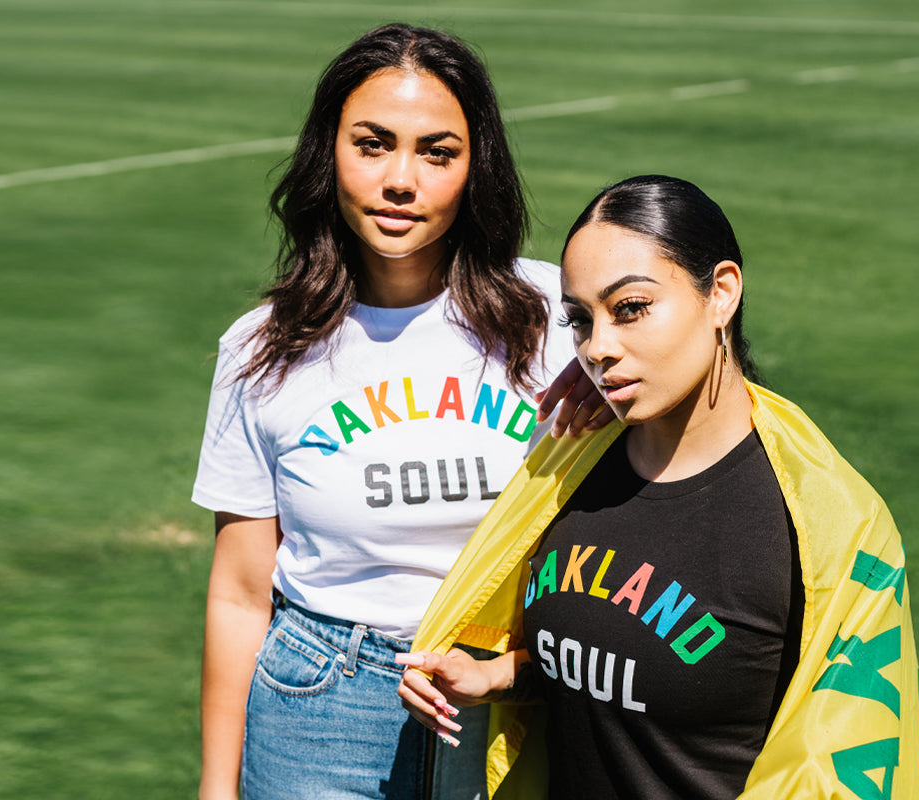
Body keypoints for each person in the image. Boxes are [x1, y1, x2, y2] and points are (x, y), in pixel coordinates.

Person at [396, 175, 919, 799]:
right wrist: (498, 677)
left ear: (721, 293)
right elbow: (611, 662)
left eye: (631, 308)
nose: (599, 348)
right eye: (580, 320)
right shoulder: (567, 470)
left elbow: (841, 756)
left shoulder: (817, 526)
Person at [191, 24, 607, 800]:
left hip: (521, 696)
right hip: (321, 706)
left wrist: (619, 377)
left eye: (437, 152)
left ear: (475, 168)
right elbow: (240, 593)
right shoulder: (260, 348)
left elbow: (710, 405)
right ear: (329, 154)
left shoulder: (564, 314)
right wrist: (218, 789)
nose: (401, 180)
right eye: (373, 144)